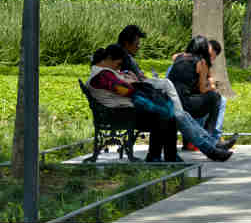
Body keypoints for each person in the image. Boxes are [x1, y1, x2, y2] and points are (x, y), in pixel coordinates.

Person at [88, 44, 232, 162]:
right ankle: (206, 150)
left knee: (176, 114)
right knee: (173, 115)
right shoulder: (102, 75)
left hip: (127, 112)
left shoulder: (105, 73)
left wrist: (128, 79)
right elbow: (127, 91)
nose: (119, 68)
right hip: (124, 115)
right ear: (110, 59)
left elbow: (124, 88)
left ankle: (172, 154)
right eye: (118, 64)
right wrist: (133, 81)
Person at [168, 36, 226, 150]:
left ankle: (205, 139)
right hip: (185, 104)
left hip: (171, 100)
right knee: (215, 98)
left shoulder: (178, 57)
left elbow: (174, 56)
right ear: (204, 49)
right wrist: (212, 88)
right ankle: (210, 138)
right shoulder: (201, 62)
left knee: (205, 98)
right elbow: (202, 89)